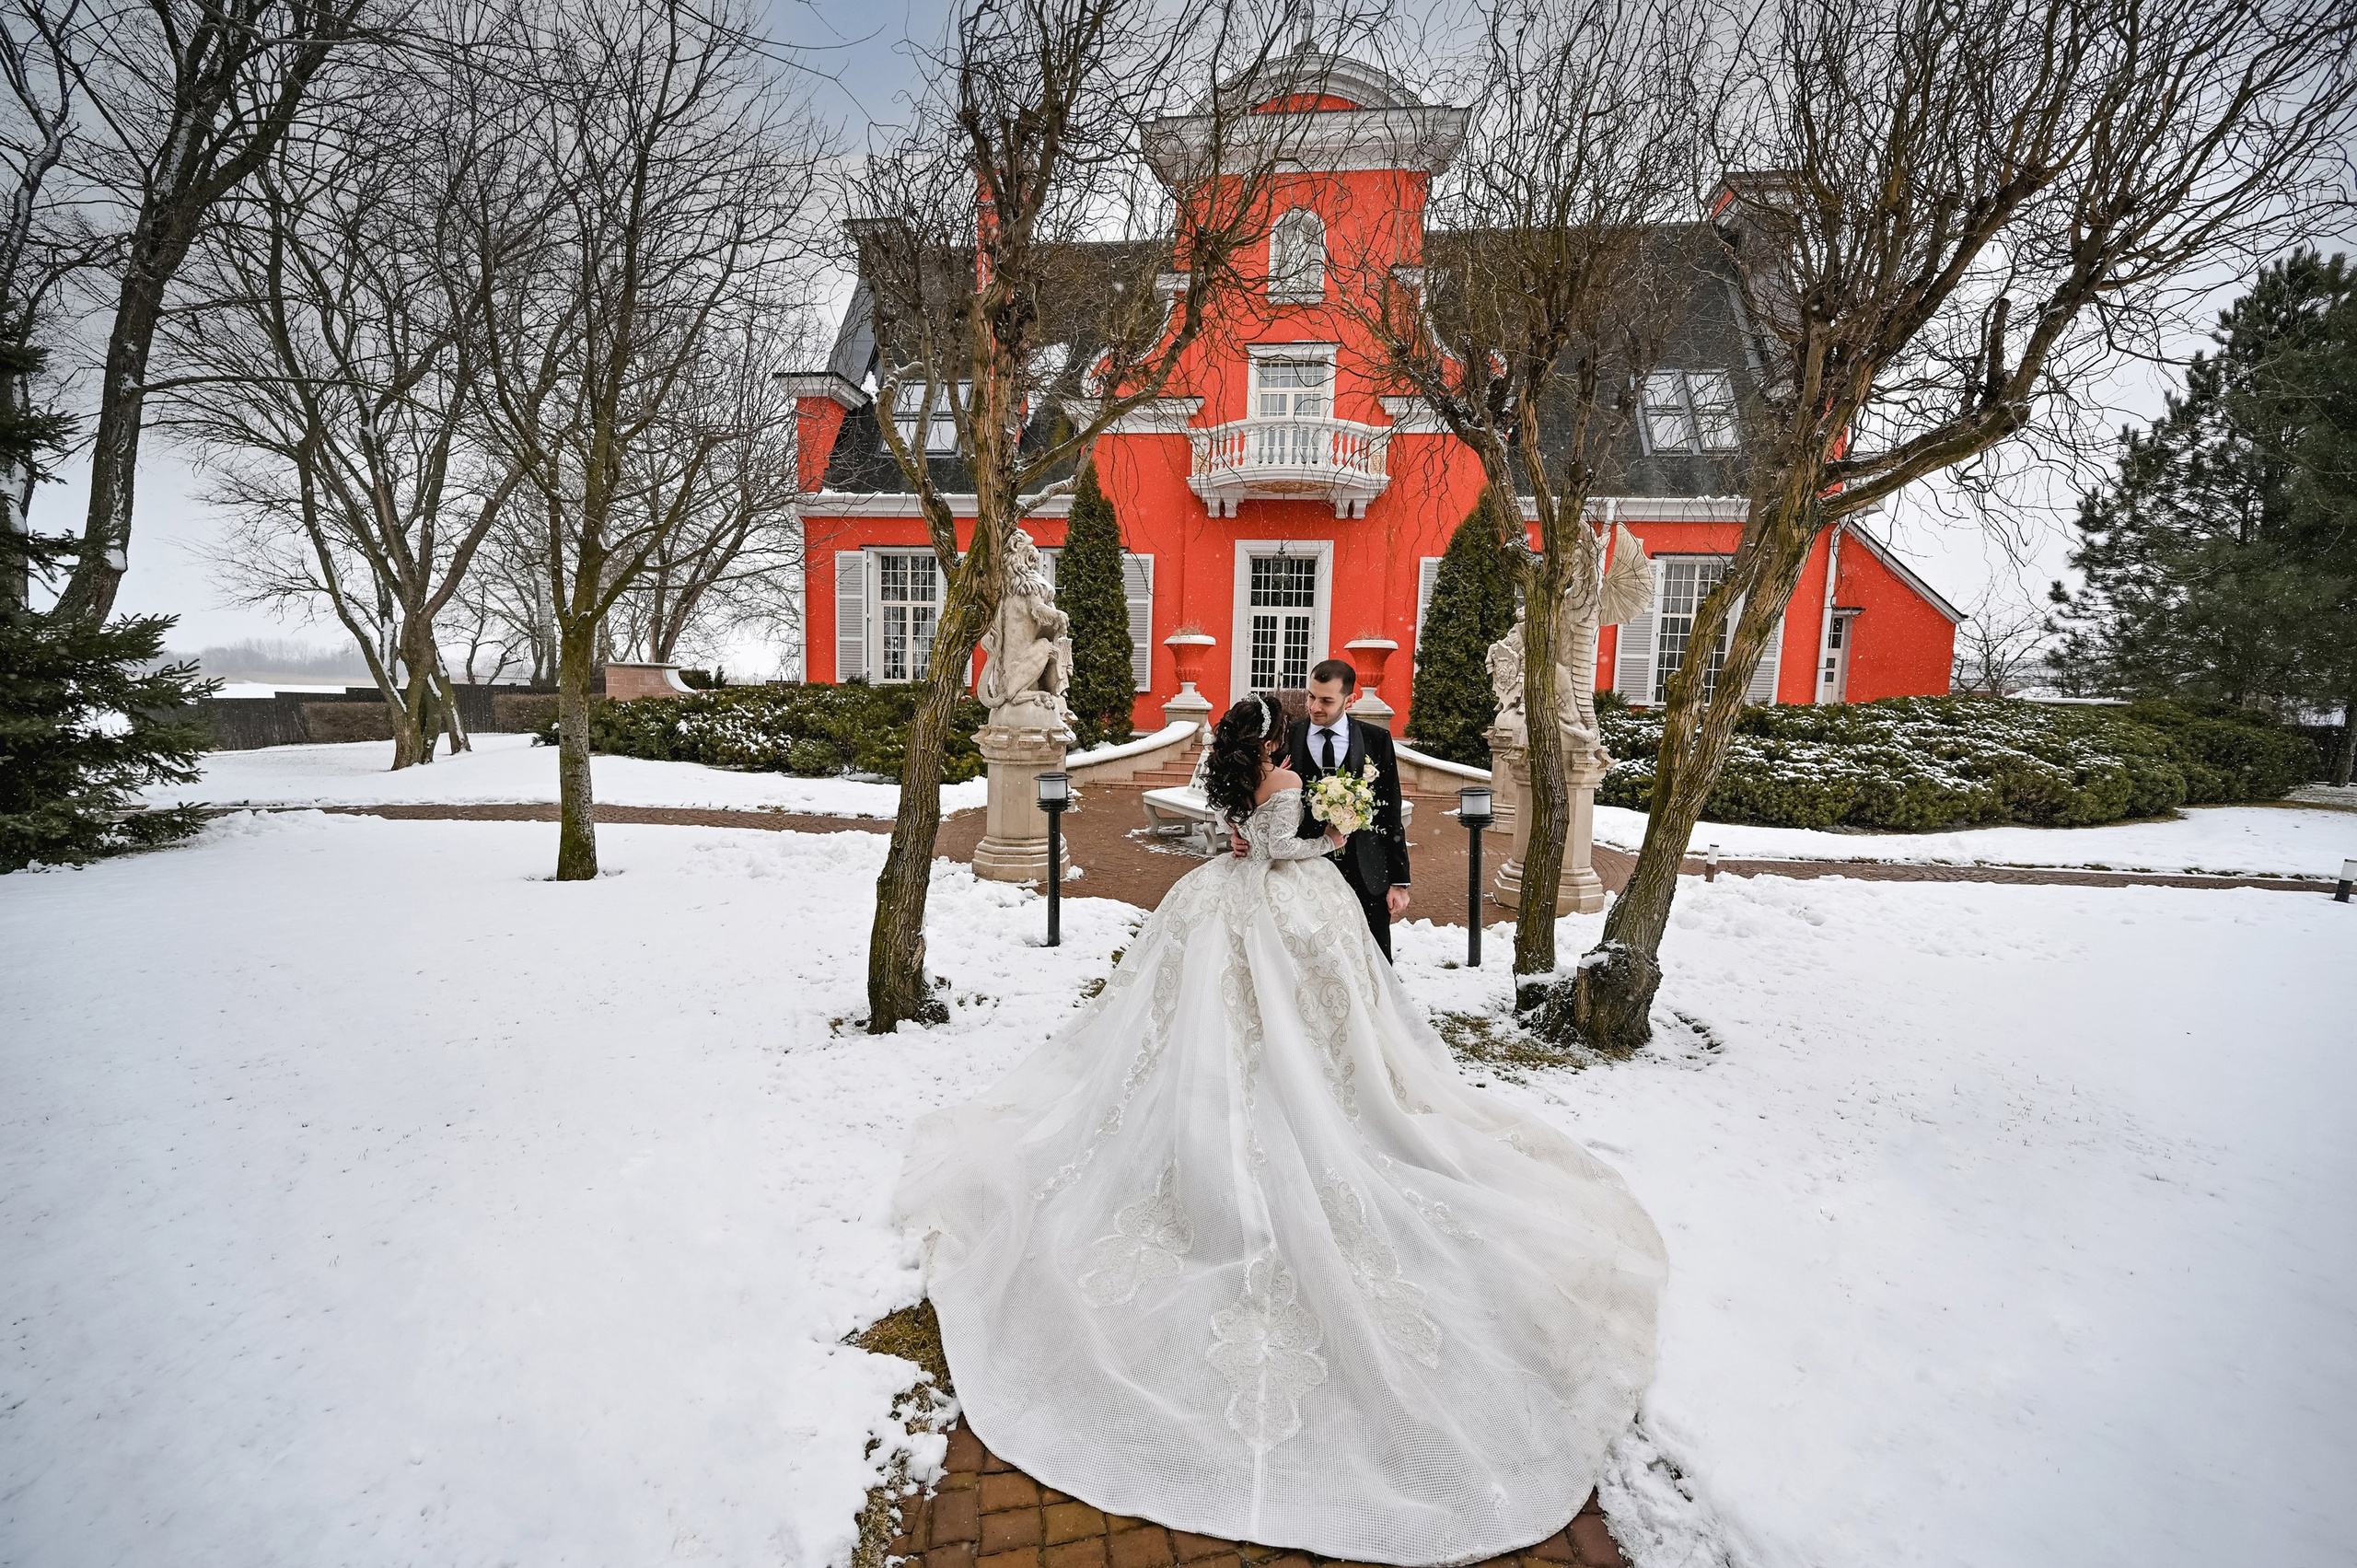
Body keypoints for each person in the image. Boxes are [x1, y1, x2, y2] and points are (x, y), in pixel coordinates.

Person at [895, 691, 1666, 1566]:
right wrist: (1330, 838)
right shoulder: (1288, 782)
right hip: (1289, 904)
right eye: (1286, 733)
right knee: (1309, 1028)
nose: (1293, 740)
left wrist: (1271, 833)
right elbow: (1276, 848)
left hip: (1219, 904)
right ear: (1274, 739)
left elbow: (1233, 840)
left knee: (1209, 1024)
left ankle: (1234, 1097)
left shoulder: (1229, 775)